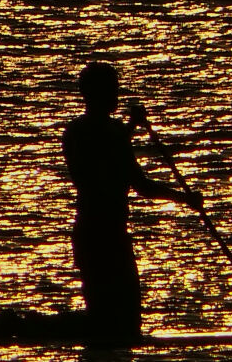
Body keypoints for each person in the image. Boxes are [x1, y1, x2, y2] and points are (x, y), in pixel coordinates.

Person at [63, 61, 202, 345]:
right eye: (111, 90)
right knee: (119, 320)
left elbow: (108, 157)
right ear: (97, 93)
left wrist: (130, 128)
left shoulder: (79, 132)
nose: (116, 97)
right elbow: (134, 180)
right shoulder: (93, 133)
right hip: (103, 237)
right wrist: (183, 198)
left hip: (97, 234)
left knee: (109, 317)